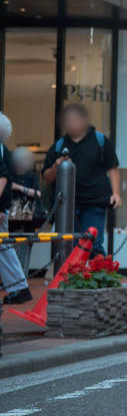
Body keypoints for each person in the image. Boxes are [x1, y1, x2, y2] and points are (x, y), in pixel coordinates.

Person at [42, 103, 121, 254]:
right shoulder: (59, 146)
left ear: (84, 120)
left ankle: (95, 276)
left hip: (95, 202)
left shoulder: (100, 141)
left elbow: (113, 168)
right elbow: (46, 176)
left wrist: (116, 194)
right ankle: (71, 277)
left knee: (92, 245)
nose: (71, 123)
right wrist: (56, 167)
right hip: (67, 205)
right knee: (68, 246)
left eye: (75, 119)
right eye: (68, 120)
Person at [0, 113, 32, 305]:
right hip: (3, 206)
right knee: (4, 247)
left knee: (4, 247)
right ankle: (19, 288)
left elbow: (3, 177)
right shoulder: (4, 150)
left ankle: (19, 288)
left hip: (1, 207)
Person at [5, 146, 44, 299]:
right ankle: (14, 282)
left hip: (27, 219)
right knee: (9, 250)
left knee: (24, 250)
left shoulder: (31, 177)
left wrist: (18, 188)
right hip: (10, 219)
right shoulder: (8, 175)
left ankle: (21, 282)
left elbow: (38, 193)